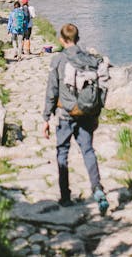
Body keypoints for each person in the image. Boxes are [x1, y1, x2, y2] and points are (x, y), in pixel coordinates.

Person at [42, 23, 109, 213]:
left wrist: (46, 117)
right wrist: (96, 113)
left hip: (65, 114)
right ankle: (98, 189)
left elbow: (51, 91)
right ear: (77, 39)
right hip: (86, 113)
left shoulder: (58, 60)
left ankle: (65, 196)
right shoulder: (89, 59)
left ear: (61, 40)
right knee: (88, 150)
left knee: (62, 151)